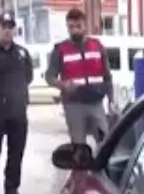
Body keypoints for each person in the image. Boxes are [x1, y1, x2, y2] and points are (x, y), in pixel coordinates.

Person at [0, 12, 34, 194]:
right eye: (3, 26)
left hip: (17, 112)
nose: (6, 30)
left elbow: (28, 77)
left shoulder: (21, 53)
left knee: (16, 153)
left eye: (10, 26)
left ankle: (12, 190)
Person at [44, 8, 114, 147]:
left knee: (105, 144)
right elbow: (49, 76)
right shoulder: (60, 49)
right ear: (67, 27)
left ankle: (100, 168)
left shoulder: (97, 46)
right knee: (78, 149)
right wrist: (62, 84)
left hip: (96, 104)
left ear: (85, 25)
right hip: (73, 105)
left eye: (78, 26)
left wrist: (111, 101)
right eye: (71, 27)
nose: (75, 30)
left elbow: (107, 77)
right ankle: (80, 169)